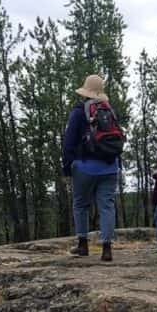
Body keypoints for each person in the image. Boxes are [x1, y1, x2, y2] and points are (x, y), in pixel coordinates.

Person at [62, 74, 124, 263]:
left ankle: (82, 245)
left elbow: (69, 142)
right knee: (107, 206)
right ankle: (106, 248)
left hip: (85, 167)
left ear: (85, 92)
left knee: (81, 204)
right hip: (110, 166)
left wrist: (68, 167)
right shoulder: (109, 110)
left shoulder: (79, 112)